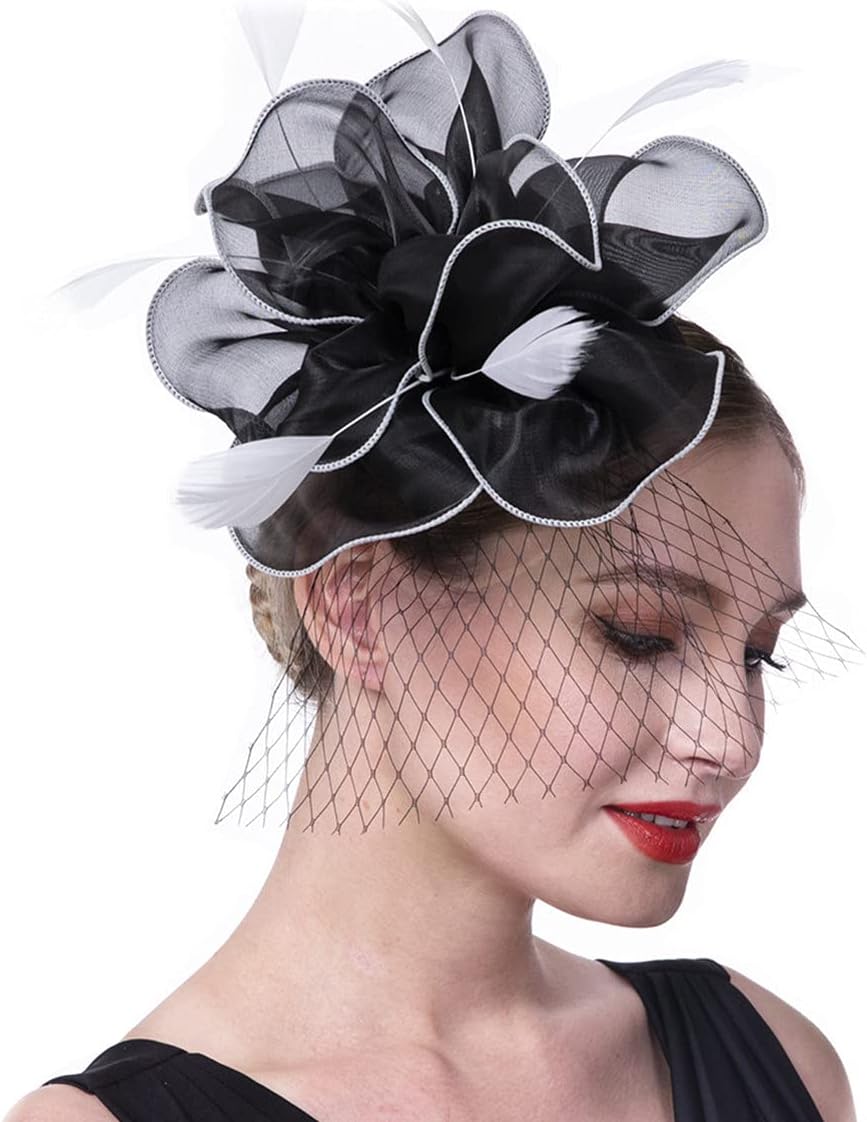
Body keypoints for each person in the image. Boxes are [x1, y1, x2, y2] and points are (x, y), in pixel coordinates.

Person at [7, 7, 859, 1121]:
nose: (730, 741)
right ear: (359, 609)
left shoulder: (779, 1061)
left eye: (759, 654)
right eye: (639, 635)